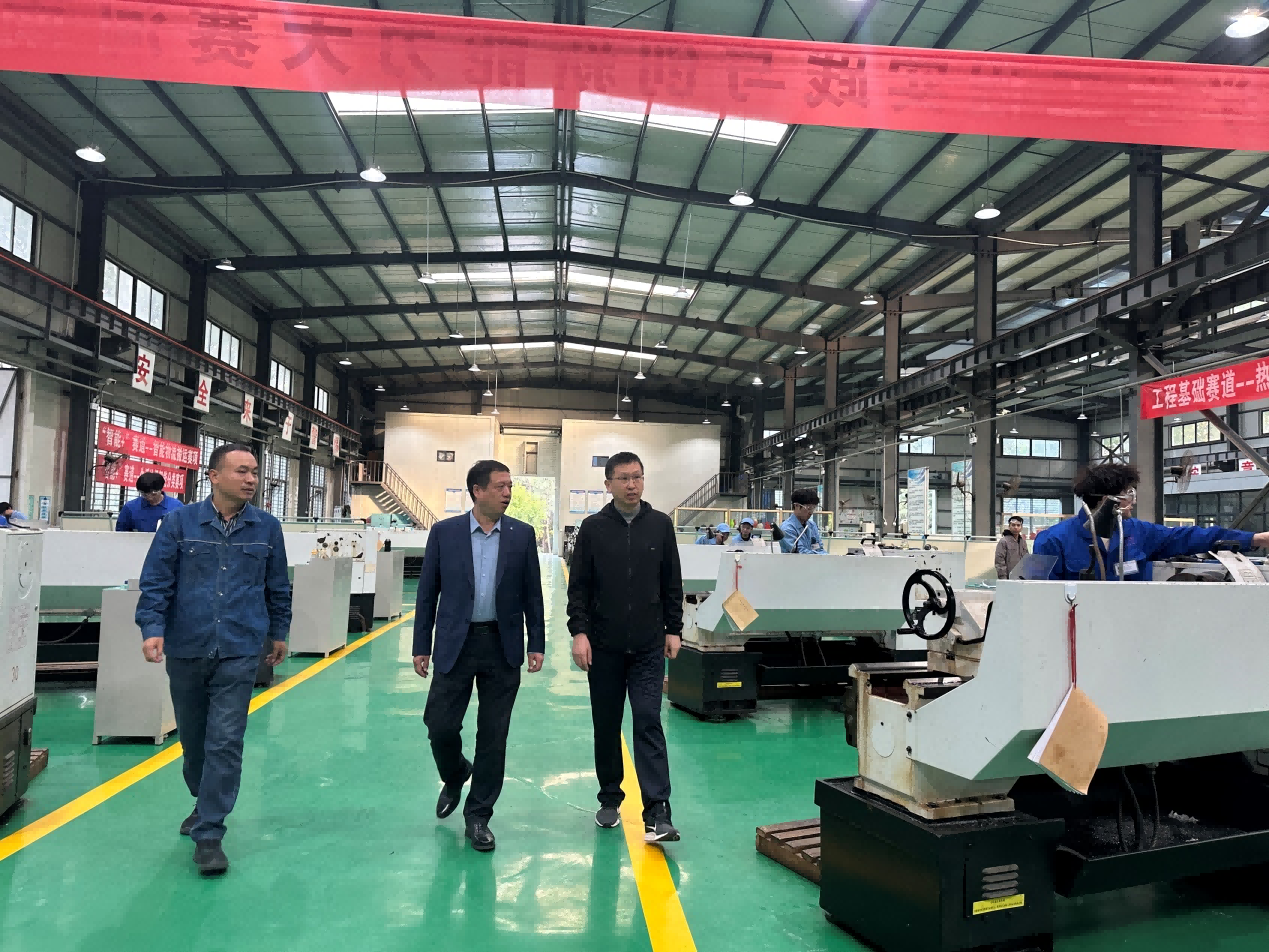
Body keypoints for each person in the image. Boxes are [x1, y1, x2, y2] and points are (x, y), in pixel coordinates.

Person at [135, 444, 291, 875]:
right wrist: (152, 628)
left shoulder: (267, 527)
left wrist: (279, 632)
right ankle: (202, 799)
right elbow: (156, 581)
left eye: (254, 472)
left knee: (225, 740)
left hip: (240, 647)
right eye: (241, 471)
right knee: (194, 740)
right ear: (214, 476)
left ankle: (210, 832)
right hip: (187, 644)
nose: (251, 479)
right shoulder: (180, 523)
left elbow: (277, 585)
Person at [413, 460, 545, 853]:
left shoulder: (522, 535)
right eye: (501, 486)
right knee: (439, 725)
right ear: (477, 490)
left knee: (493, 735)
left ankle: (479, 815)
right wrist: (421, 645)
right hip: (455, 643)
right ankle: (455, 773)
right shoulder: (445, 533)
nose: (508, 493)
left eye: (510, 486)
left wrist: (536, 642)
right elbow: (427, 593)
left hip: (502, 646)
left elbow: (533, 593)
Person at [567, 451, 684, 844]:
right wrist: (579, 633)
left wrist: (673, 629)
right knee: (607, 724)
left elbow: (672, 582)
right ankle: (609, 797)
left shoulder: (660, 525)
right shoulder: (593, 528)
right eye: (623, 478)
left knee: (648, 719)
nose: (632, 485)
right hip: (603, 647)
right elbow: (579, 588)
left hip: (649, 646)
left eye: (637, 477)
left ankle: (658, 811)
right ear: (608, 484)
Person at [1033, 463, 1269, 580]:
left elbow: (1192, 537)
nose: (1133, 501)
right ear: (1108, 499)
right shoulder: (1051, 541)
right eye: (1129, 493)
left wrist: (1255, 539)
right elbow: (1036, 599)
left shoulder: (1139, 533)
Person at [116, 472, 184, 532]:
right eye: (144, 494)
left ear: (160, 489)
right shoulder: (130, 507)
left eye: (153, 494)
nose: (149, 497)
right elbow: (120, 532)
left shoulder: (177, 507)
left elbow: (184, 530)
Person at [780, 489, 826, 554]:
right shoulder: (787, 529)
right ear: (796, 506)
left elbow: (819, 548)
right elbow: (800, 552)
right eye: (808, 508)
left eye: (813, 508)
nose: (811, 512)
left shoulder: (812, 525)